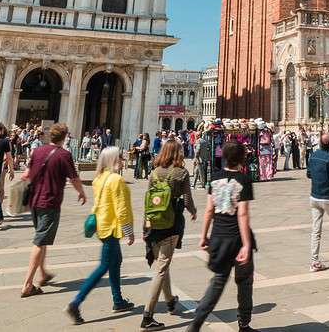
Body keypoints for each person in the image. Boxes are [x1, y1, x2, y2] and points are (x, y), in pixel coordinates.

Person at [187, 141, 257, 332]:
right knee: (244, 282)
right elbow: (242, 214)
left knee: (218, 282)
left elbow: (209, 210)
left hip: (218, 237)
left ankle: (196, 323)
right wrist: (246, 244)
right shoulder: (243, 179)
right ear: (242, 158)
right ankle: (244, 324)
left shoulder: (215, 178)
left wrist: (203, 236)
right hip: (236, 238)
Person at [65, 145, 135, 323]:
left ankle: (118, 301)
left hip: (101, 225)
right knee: (104, 266)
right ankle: (76, 302)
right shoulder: (116, 180)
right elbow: (122, 209)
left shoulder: (99, 178)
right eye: (119, 157)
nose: (122, 160)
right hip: (111, 228)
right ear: (113, 160)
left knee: (115, 262)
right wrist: (129, 232)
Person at [20, 124, 88, 298]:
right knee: (39, 241)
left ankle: (43, 274)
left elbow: (25, 174)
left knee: (41, 238)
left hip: (33, 200)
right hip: (49, 201)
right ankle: (27, 284)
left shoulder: (37, 151)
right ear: (64, 137)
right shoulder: (64, 155)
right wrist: (81, 192)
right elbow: (74, 178)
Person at [140, 139, 197, 329]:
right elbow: (188, 200)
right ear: (178, 153)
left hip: (154, 224)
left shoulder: (154, 173)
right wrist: (194, 212)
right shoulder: (181, 172)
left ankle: (171, 300)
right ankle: (148, 315)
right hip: (171, 225)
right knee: (162, 268)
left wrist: (145, 226)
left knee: (163, 264)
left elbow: (148, 201)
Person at [306, 130, 329, 272]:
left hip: (314, 197)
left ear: (320, 142)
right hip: (327, 198)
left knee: (316, 230)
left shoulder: (313, 156)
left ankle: (314, 262)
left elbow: (308, 174)